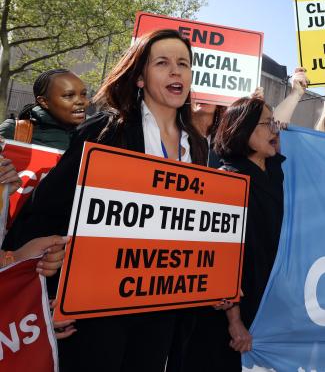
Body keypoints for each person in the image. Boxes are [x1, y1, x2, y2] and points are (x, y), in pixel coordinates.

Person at [4, 29, 208, 372]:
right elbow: (47, 210)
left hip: (160, 310)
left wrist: (213, 276)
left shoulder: (197, 146)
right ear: (140, 77)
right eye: (162, 63)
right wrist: (43, 296)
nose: (176, 71)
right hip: (97, 312)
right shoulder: (107, 131)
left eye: (183, 64)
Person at [182, 96, 285, 371]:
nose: (275, 130)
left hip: (266, 306)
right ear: (243, 129)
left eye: (275, 123)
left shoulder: (276, 174)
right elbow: (219, 258)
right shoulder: (225, 182)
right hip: (228, 324)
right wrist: (235, 320)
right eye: (267, 123)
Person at [0, 68, 88, 150]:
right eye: (69, 95)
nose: (81, 101)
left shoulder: (91, 135)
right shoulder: (13, 130)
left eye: (83, 94)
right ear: (44, 101)